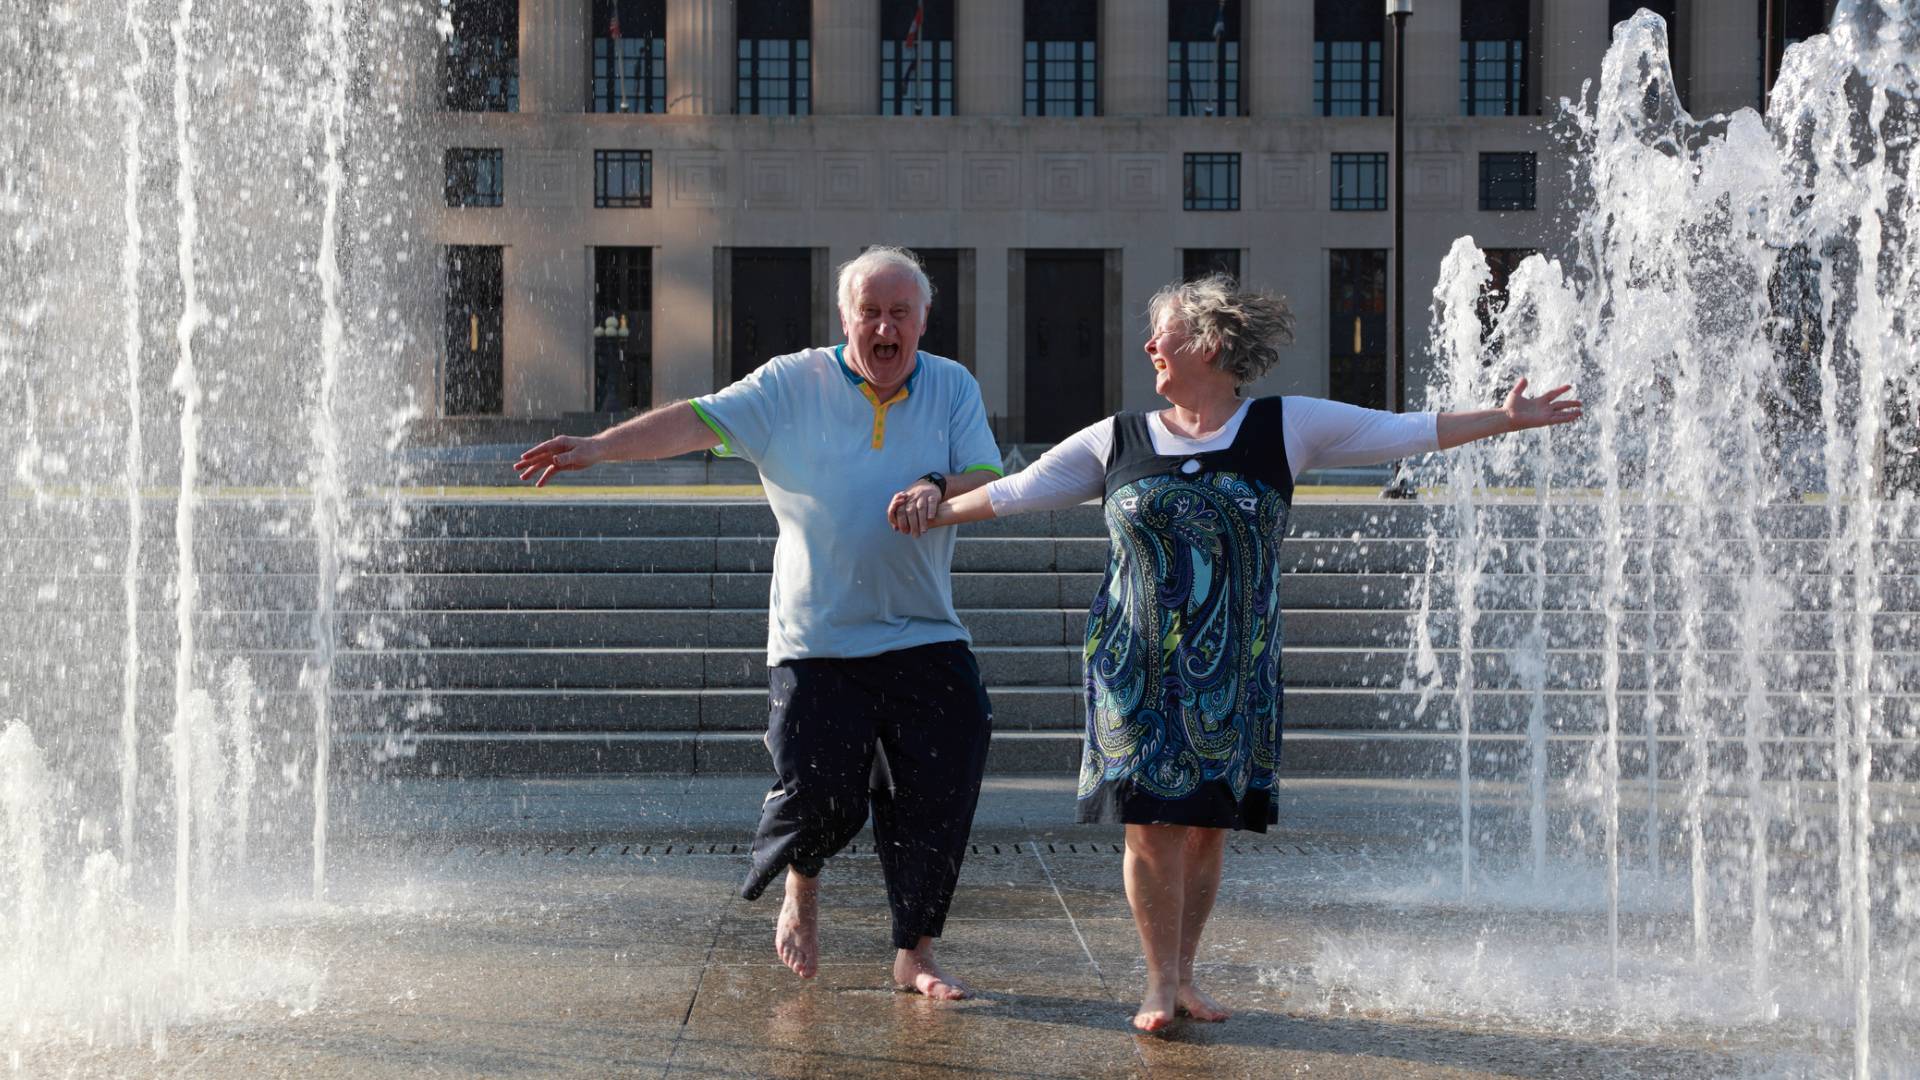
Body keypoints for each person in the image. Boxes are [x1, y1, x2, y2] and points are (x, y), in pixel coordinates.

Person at [896, 274, 1582, 1030]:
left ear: (1211, 344)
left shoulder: (1286, 426)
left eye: (1165, 334)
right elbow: (1019, 490)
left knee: (1205, 828)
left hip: (1235, 669)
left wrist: (1504, 420)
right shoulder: (1117, 438)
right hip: (1136, 666)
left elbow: (1405, 429)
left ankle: (1186, 974)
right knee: (1150, 822)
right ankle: (1158, 983)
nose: (1150, 346)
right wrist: (935, 509)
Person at [516, 247, 1005, 1000]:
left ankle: (916, 952)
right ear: (845, 319)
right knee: (822, 797)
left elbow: (986, 474)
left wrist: (936, 486)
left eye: (898, 314)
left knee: (947, 773)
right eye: (869, 312)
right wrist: (599, 449)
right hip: (818, 639)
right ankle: (800, 887)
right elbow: (696, 418)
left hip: (922, 632)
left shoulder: (951, 387)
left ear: (922, 320)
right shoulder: (791, 383)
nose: (884, 327)